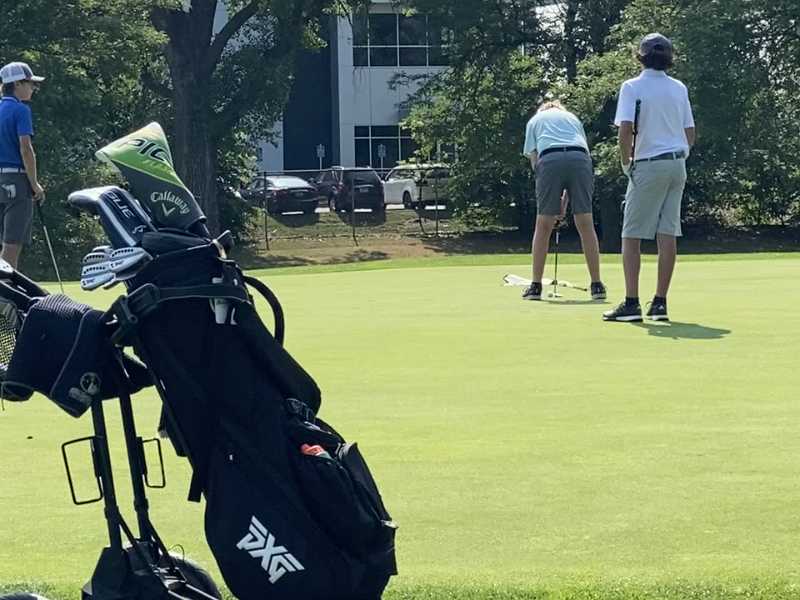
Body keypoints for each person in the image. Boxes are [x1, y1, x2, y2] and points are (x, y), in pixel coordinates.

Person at [603, 33, 695, 322]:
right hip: (677, 164)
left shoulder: (632, 86)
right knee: (667, 233)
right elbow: (689, 132)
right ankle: (660, 303)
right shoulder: (678, 87)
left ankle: (632, 303)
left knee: (631, 235)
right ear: (669, 57)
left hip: (649, 164)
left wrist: (626, 162)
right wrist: (680, 154)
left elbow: (625, 129)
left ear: (640, 56)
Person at [521, 100, 605, 301]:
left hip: (549, 159)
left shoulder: (535, 120)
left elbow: (535, 160)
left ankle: (535, 286)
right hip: (580, 158)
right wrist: (564, 201)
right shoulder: (572, 118)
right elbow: (580, 151)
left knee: (543, 224)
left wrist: (550, 201)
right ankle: (597, 285)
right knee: (585, 222)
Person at [0, 61, 45, 269]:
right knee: (12, 244)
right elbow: (25, 149)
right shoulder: (20, 110)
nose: (33, 88)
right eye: (30, 83)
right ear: (17, 84)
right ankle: (6, 288)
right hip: (16, 180)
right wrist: (34, 184)